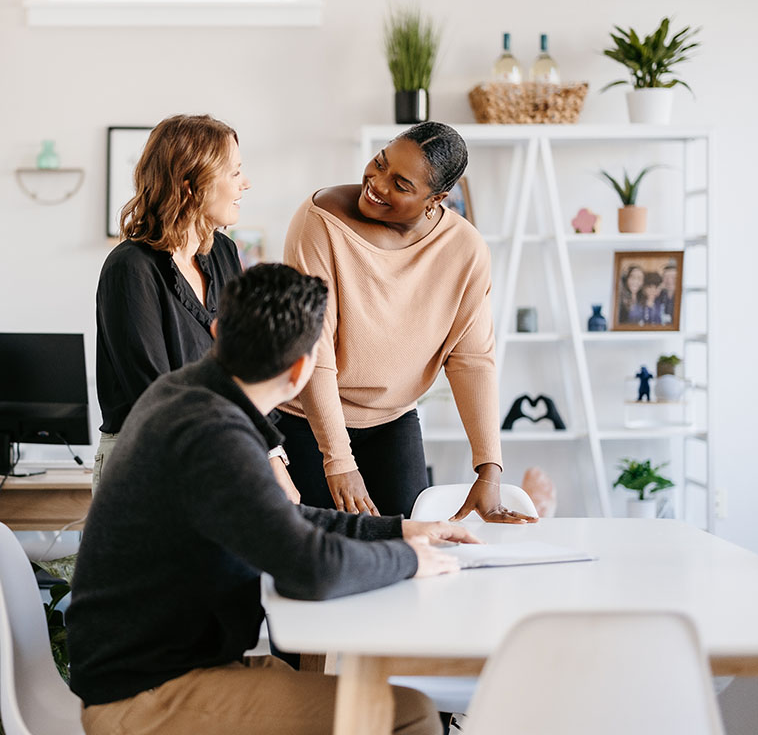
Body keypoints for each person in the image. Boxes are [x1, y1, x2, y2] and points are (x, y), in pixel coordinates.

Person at [67, 263, 474, 735]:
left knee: (349, 694)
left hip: (159, 670)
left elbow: (281, 520)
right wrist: (408, 559)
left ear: (217, 330)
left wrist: (399, 529)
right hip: (143, 697)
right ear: (301, 370)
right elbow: (311, 569)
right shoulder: (212, 433)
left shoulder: (184, 396)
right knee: (407, 712)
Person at [280, 121, 537, 523]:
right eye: (380, 164)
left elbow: (471, 359)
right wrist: (339, 461)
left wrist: (490, 469)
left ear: (437, 199)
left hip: (392, 421)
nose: (377, 184)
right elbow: (316, 348)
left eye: (400, 185)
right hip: (305, 420)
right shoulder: (320, 222)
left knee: (408, 550)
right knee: (323, 554)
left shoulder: (465, 250)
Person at [93, 114, 297, 502]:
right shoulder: (130, 268)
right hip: (147, 457)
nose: (246, 183)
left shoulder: (224, 252)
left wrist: (271, 455)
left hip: (220, 444)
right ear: (190, 185)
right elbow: (155, 394)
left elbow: (244, 366)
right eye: (235, 172)